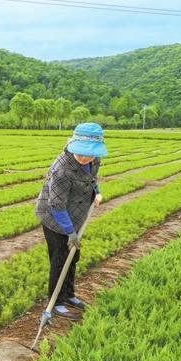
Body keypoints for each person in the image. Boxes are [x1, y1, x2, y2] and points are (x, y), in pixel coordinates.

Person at [35, 122, 107, 320]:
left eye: (89, 154)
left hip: (76, 214)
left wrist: (97, 192)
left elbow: (93, 179)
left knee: (73, 256)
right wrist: (70, 232)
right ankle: (55, 302)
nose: (85, 158)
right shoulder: (62, 170)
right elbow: (56, 206)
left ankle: (68, 294)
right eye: (81, 154)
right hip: (55, 219)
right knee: (60, 259)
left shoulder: (94, 159)